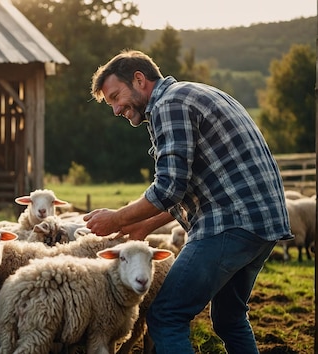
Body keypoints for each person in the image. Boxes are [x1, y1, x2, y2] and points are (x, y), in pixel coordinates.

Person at [83, 49, 292, 354]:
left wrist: (118, 219)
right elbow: (183, 189)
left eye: (116, 96)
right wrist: (140, 225)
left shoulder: (170, 105)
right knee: (230, 318)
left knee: (166, 315)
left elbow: (168, 187)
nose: (116, 109)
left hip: (229, 224)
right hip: (261, 223)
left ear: (139, 80)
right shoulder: (193, 93)